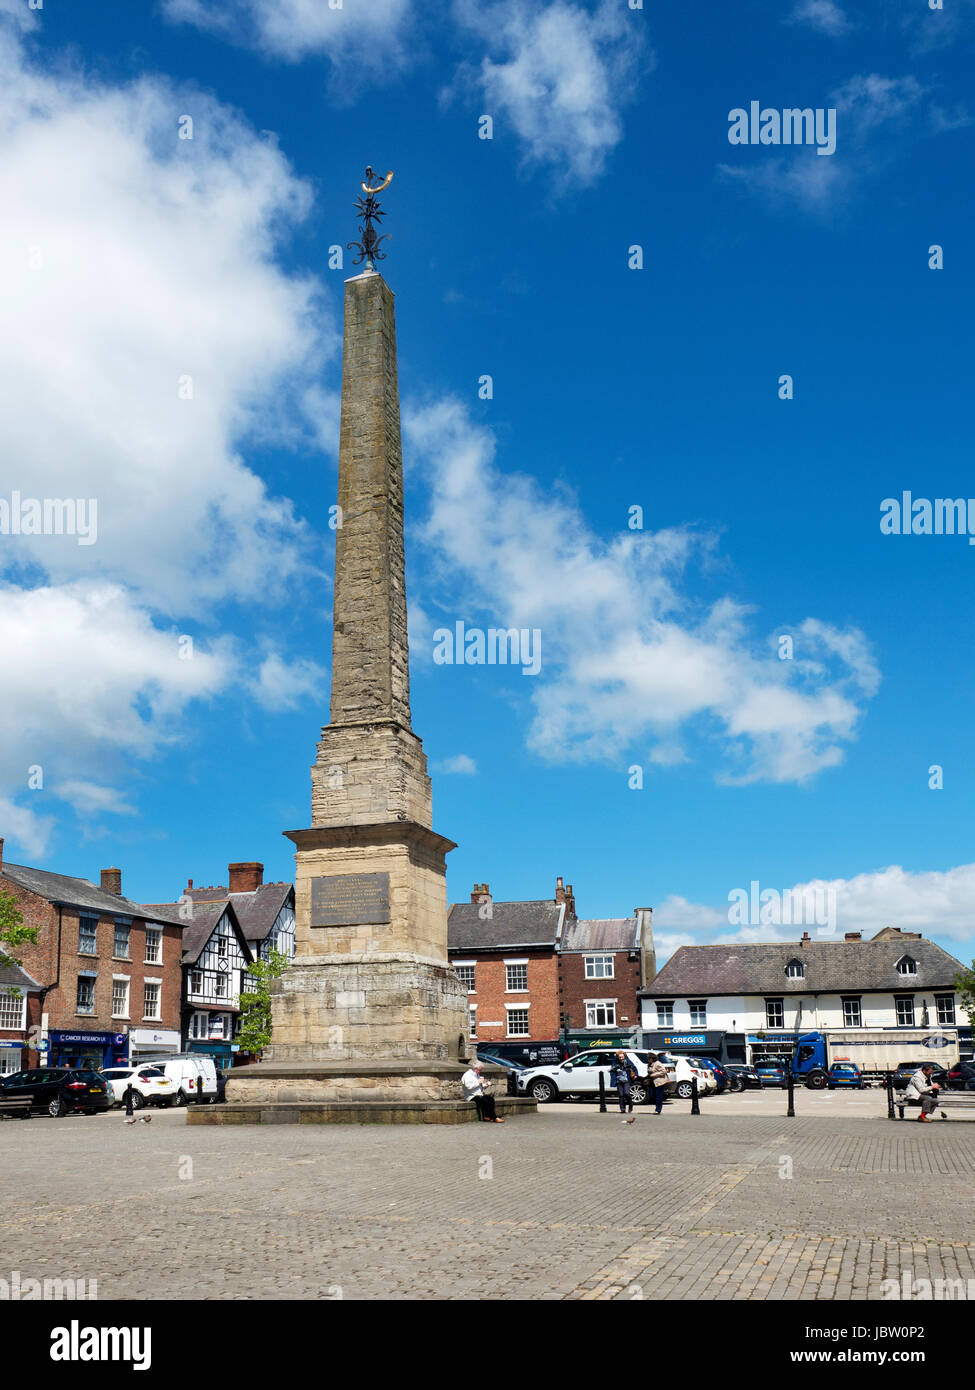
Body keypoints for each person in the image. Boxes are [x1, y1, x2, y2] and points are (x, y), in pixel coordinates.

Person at [609, 1051, 638, 1123]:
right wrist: (613, 1077)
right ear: (617, 1057)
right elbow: (612, 1071)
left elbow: (634, 1068)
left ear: (624, 1056)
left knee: (627, 1093)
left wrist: (636, 1075)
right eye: (619, 1057)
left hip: (626, 1080)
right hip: (619, 1080)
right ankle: (622, 1109)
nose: (621, 1058)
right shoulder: (615, 1062)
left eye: (622, 1057)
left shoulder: (628, 1061)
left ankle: (630, 1105)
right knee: (621, 1095)